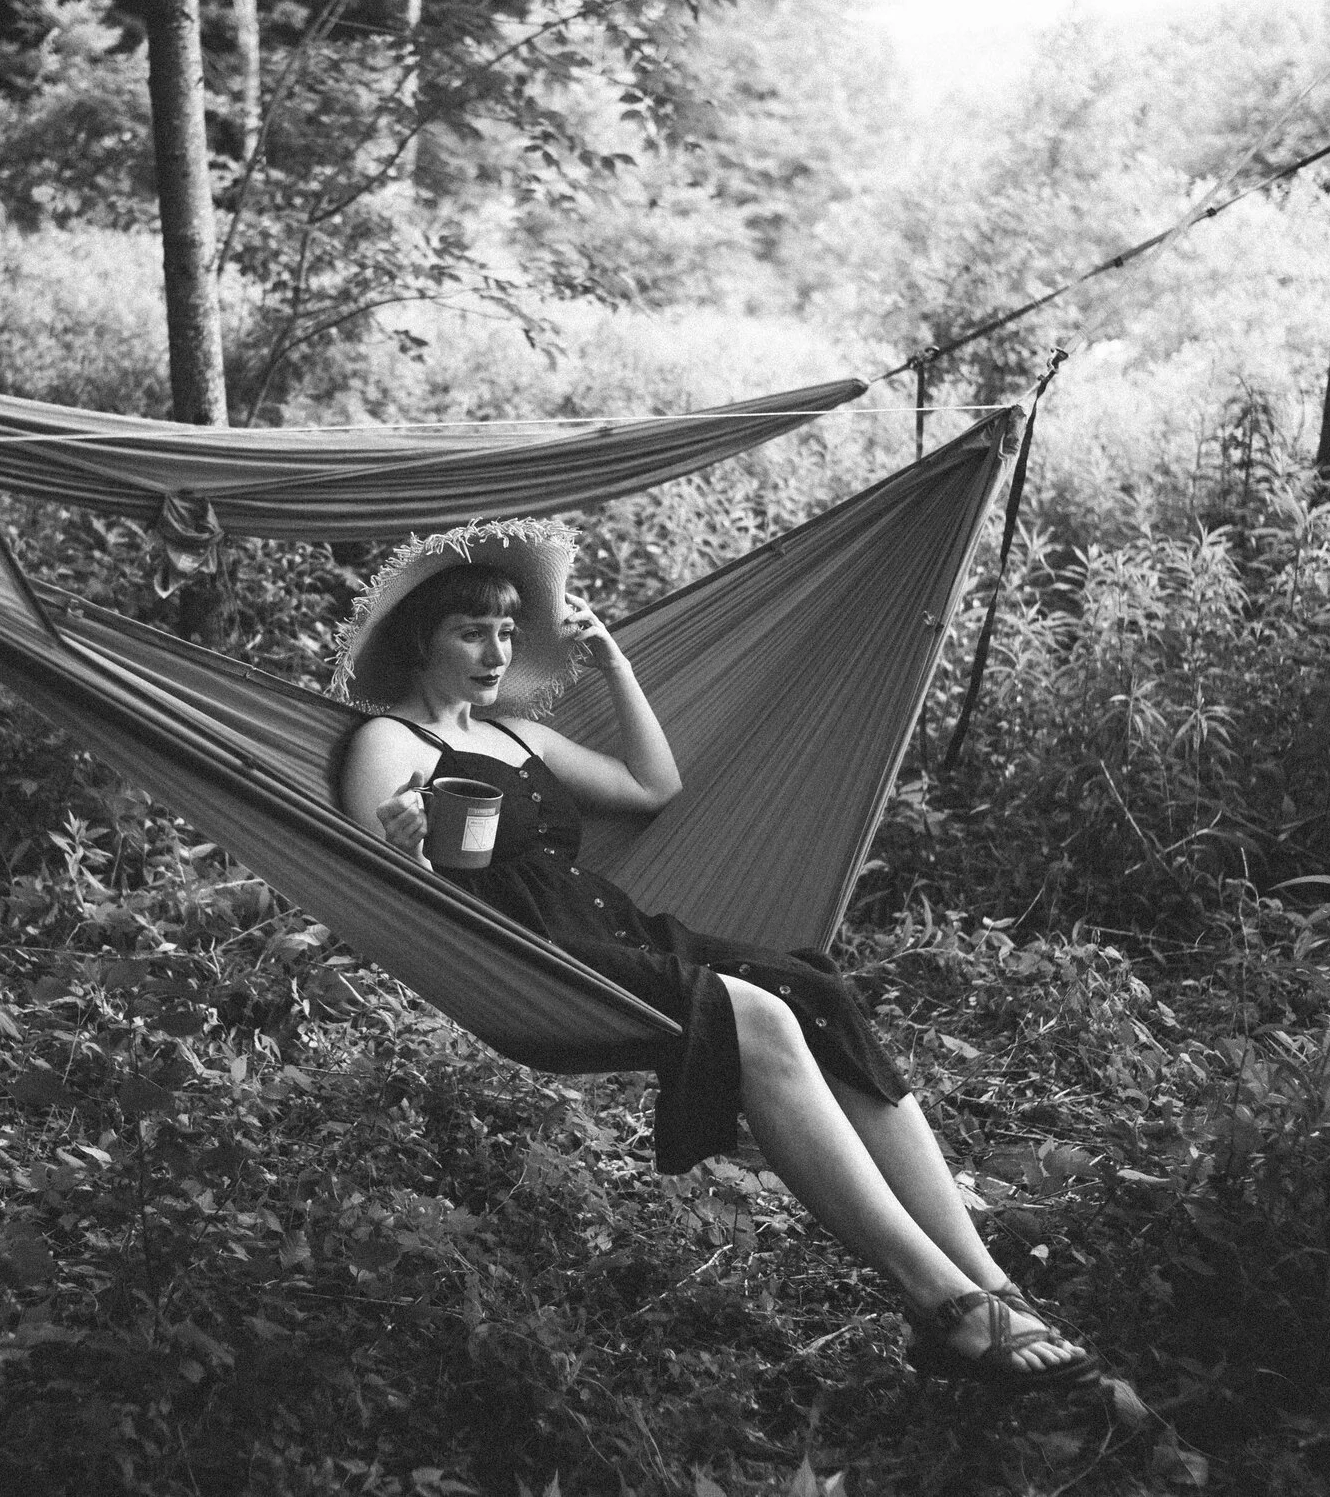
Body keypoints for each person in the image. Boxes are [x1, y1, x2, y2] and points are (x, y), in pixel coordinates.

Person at [333, 521, 1097, 1391]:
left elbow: (655, 787)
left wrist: (617, 666)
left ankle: (988, 1282)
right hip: (530, 957)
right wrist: (404, 848)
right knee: (758, 1017)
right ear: (420, 638)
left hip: (618, 932)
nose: (497, 651)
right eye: (472, 631)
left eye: (508, 631)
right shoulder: (386, 745)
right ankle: (943, 1306)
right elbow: (398, 904)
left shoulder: (520, 739)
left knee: (814, 992)